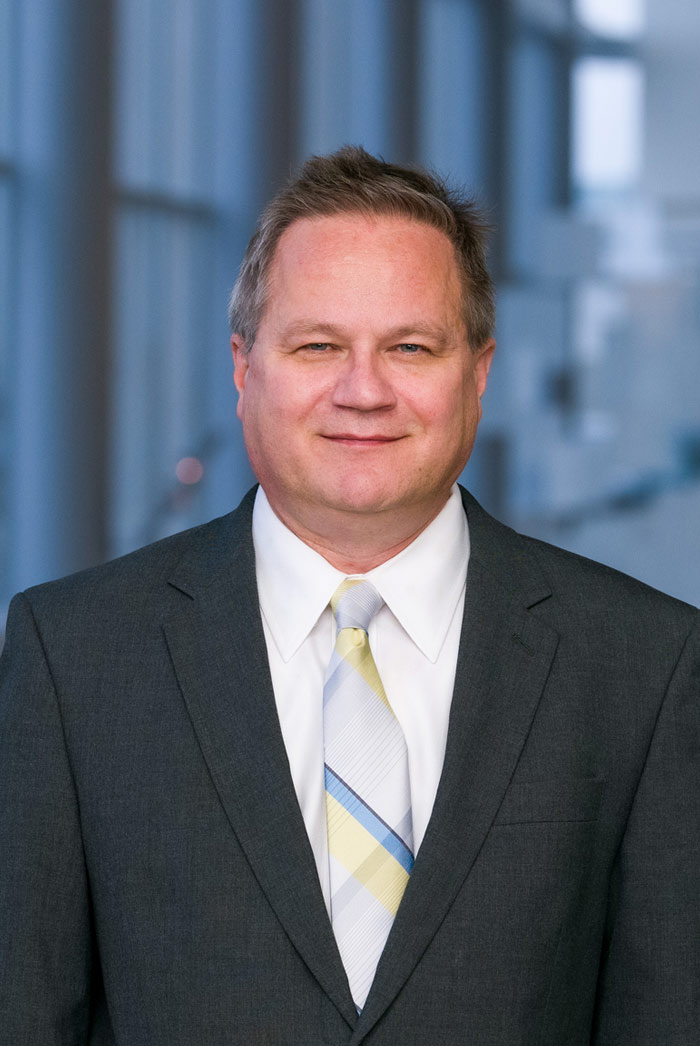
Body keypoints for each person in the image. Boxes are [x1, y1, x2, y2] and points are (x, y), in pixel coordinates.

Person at [0, 146, 698, 1046]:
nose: (363, 391)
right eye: (318, 345)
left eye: (411, 347)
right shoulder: (74, 655)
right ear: (245, 368)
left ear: (478, 373)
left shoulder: (647, 666)